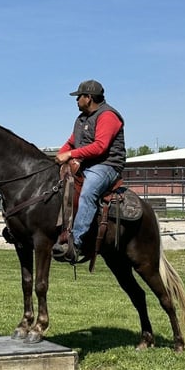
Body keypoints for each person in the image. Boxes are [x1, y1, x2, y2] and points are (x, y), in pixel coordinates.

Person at [52, 79, 126, 263]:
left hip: (107, 165)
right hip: (87, 163)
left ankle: (76, 243)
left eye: (79, 97)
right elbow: (71, 142)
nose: (76, 101)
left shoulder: (108, 116)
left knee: (88, 192)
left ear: (89, 98)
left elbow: (100, 147)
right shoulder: (81, 119)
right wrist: (61, 155)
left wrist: (71, 154)